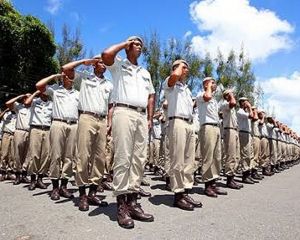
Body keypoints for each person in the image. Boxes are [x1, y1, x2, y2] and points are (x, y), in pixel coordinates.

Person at [102, 36, 155, 229]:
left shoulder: (145, 72)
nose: (139, 47)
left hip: (141, 116)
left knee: (139, 159)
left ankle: (133, 201)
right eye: (135, 44)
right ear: (127, 47)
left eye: (141, 44)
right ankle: (121, 205)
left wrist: (149, 118)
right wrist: (125, 43)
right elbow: (106, 55)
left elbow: (151, 96)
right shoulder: (118, 66)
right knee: (123, 158)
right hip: (123, 111)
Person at [61, 56, 113, 211]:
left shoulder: (109, 84)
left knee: (99, 158)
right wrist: (86, 61)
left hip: (102, 120)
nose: (103, 65)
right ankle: (82, 194)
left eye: (105, 63)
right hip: (86, 117)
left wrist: (109, 122)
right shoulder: (84, 77)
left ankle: (92, 192)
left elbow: (111, 106)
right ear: (94, 65)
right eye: (100, 62)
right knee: (82, 156)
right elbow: (66, 68)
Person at [165, 59, 202, 211]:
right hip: (177, 122)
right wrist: (179, 66)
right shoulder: (170, 82)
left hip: (188, 123)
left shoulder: (186, 88)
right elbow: (174, 76)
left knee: (189, 161)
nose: (186, 70)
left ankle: (186, 191)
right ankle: (178, 195)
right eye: (184, 68)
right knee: (178, 160)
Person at [36, 72, 79, 201]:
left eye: (72, 76)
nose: (71, 78)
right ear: (63, 78)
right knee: (55, 155)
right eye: (68, 75)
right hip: (58, 123)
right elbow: (39, 85)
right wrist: (54, 76)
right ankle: (55, 187)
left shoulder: (77, 93)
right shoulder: (55, 90)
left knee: (69, 157)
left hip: (73, 125)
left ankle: (64, 186)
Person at [197, 77, 227, 197]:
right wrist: (208, 86)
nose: (214, 85)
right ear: (205, 85)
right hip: (207, 127)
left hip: (216, 127)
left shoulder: (214, 100)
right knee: (208, 157)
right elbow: (207, 96)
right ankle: (207, 185)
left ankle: (213, 183)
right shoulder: (201, 96)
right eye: (212, 83)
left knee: (216, 157)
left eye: (214, 83)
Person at [24, 90, 53, 190]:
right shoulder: (34, 101)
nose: (46, 92)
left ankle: (40, 179)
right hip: (35, 129)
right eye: (43, 90)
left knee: (46, 155)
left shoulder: (51, 104)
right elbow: (26, 103)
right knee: (34, 155)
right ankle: (33, 179)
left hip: (47, 129)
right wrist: (35, 93)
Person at [6, 93, 32, 185]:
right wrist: (19, 97)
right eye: (26, 97)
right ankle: (17, 175)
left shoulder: (34, 107)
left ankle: (24, 174)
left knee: (28, 154)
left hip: (30, 132)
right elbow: (8, 103)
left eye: (29, 97)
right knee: (17, 154)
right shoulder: (19, 107)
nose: (28, 99)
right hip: (19, 131)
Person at [219, 89, 243, 189]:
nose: (234, 95)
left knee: (236, 155)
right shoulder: (225, 104)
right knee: (231, 155)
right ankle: (229, 179)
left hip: (234, 130)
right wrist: (231, 96)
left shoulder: (231, 108)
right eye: (231, 94)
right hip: (229, 130)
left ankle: (232, 176)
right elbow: (233, 102)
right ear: (227, 95)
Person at [237, 97, 255, 184]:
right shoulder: (240, 112)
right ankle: (245, 175)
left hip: (248, 133)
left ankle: (248, 174)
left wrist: (249, 108)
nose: (247, 103)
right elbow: (251, 116)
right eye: (245, 102)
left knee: (249, 154)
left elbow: (254, 117)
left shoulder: (245, 112)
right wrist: (250, 107)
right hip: (243, 133)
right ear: (241, 103)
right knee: (245, 154)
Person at [0, 109, 17, 181]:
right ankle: (3, 171)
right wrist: (6, 110)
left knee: (12, 154)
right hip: (6, 134)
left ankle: (10, 171)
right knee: (4, 153)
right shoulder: (6, 114)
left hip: (14, 134)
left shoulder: (17, 114)